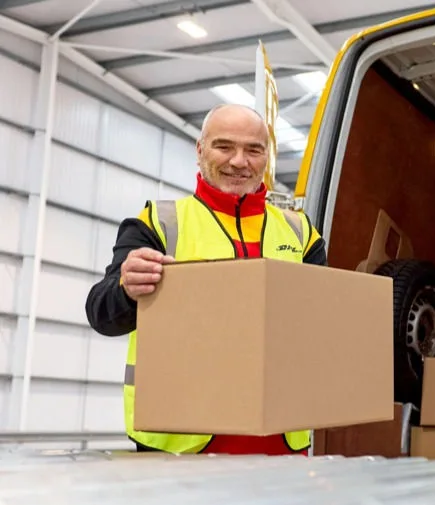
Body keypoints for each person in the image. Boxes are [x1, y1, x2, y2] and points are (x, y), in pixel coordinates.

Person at [85, 103, 327, 455]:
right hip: (180, 448)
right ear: (200, 151)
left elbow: (324, 331)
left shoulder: (301, 232)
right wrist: (126, 288)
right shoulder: (158, 223)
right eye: (224, 146)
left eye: (253, 150)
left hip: (282, 446)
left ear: (267, 158)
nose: (239, 161)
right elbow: (100, 313)